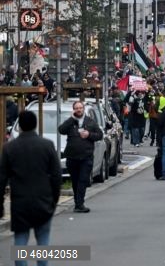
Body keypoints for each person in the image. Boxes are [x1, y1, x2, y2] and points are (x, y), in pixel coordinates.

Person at [0, 111, 62, 265]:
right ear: (35, 124)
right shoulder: (47, 145)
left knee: (20, 241)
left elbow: (1, 178)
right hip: (43, 200)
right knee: (43, 241)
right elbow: (56, 175)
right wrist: (54, 199)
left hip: (20, 201)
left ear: (19, 125)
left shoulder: (9, 148)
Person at [58, 101, 103, 213]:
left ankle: (80, 204)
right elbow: (61, 130)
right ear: (73, 110)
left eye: (80, 108)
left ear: (83, 109)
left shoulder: (90, 122)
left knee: (83, 180)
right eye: (76, 108)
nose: (79, 110)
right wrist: (71, 119)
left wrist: (89, 135)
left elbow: (99, 135)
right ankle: (77, 203)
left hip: (86, 157)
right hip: (72, 157)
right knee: (75, 181)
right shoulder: (70, 122)